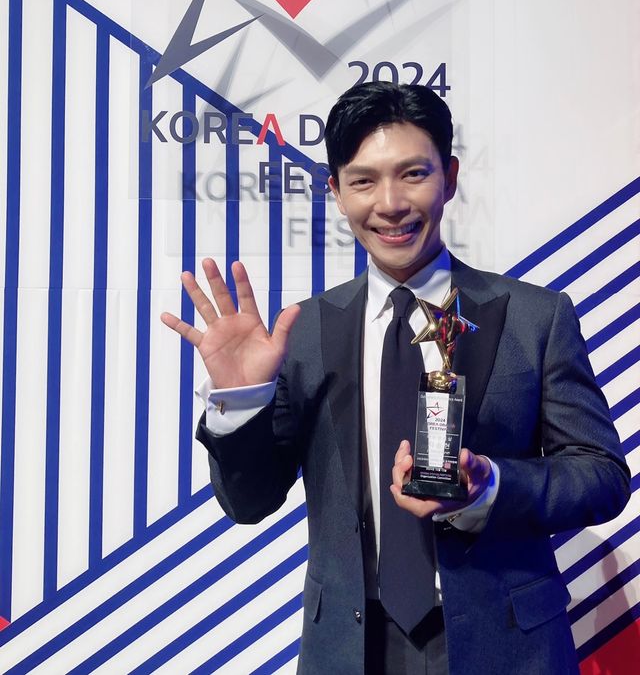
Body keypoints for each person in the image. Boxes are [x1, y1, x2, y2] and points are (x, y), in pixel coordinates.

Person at [161, 82, 630, 675]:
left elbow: (602, 476)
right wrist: (242, 400)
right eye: (363, 181)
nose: (390, 203)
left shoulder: (535, 317)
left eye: (413, 174)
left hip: (507, 646)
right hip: (349, 649)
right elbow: (248, 503)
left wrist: (489, 486)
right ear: (335, 192)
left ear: (449, 178)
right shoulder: (302, 333)